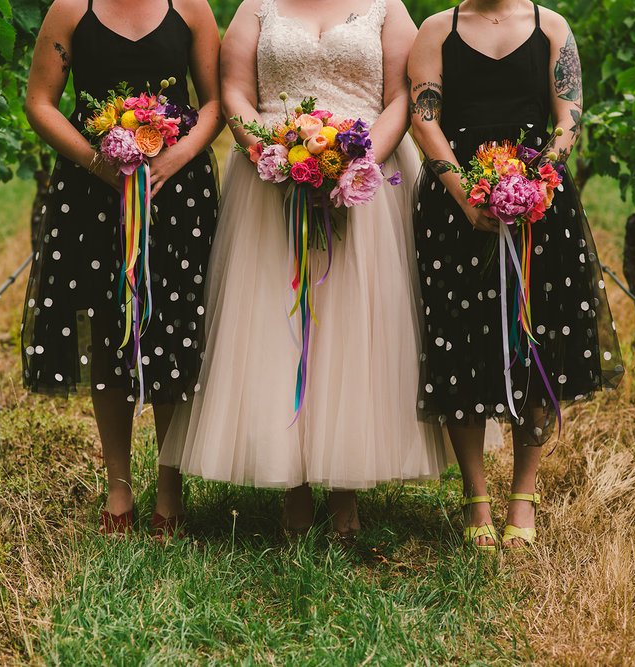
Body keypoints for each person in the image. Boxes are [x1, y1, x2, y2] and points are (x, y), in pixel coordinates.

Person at [162, 0, 445, 538]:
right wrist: (273, 153)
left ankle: (345, 488)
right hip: (271, 182)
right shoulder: (257, 7)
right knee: (279, 320)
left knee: (354, 324)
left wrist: (356, 163)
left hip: (366, 181)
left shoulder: (387, 8)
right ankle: (292, 485)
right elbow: (236, 94)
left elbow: (400, 98)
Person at [409, 0, 623, 551]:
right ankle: (476, 495)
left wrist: (538, 186)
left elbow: (568, 115)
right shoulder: (437, 30)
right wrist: (462, 193)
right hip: (456, 210)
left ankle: (522, 495)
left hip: (541, 213)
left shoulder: (552, 28)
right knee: (457, 340)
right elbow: (424, 116)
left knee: (540, 343)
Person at [22, 0, 224, 535]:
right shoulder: (70, 9)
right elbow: (40, 102)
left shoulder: (192, 9)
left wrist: (175, 159)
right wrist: (98, 162)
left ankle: (169, 483)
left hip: (178, 192)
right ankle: (118, 484)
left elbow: (215, 103)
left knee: (174, 326)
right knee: (108, 325)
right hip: (92, 193)